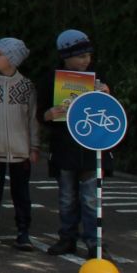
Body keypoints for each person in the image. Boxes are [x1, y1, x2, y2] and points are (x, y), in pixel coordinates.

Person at [44, 29, 107, 257]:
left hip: (91, 147)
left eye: (88, 56)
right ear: (65, 56)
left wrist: (106, 93)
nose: (86, 60)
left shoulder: (98, 78)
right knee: (67, 197)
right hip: (65, 148)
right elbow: (42, 115)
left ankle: (94, 243)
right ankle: (67, 238)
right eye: (80, 56)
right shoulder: (52, 80)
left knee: (91, 198)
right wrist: (51, 113)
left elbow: (110, 115)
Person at [0, 37, 40, 250]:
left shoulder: (26, 86)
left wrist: (34, 146)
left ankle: (23, 231)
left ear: (12, 59)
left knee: (21, 193)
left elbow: (32, 118)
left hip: (21, 151)